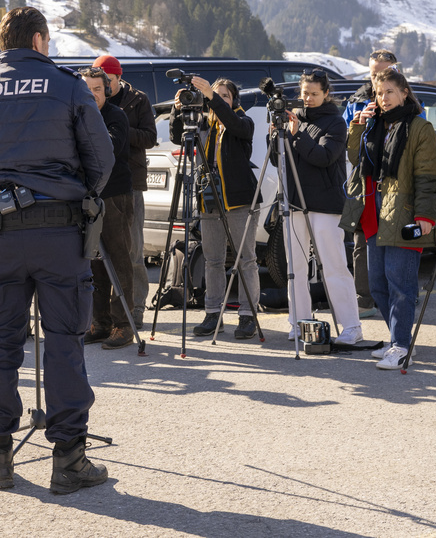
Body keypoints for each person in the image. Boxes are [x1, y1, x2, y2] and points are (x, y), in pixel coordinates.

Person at [0, 6, 113, 494]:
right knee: (63, 341)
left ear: (4, 43)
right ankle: (68, 461)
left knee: (0, 345)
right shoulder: (66, 85)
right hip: (59, 233)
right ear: (40, 40)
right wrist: (79, 196)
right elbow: (100, 159)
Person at [346, 68, 436, 370]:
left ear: (404, 93)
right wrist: (358, 128)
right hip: (374, 214)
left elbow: (428, 177)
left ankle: (401, 345)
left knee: (401, 285)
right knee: (377, 286)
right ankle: (396, 340)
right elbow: (355, 160)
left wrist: (425, 215)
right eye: (378, 92)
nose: (383, 98)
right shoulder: (375, 125)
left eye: (389, 91)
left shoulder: (418, 127)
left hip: (403, 215)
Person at [171, 76, 262, 340]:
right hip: (209, 199)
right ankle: (213, 313)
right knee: (213, 260)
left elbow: (233, 124)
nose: (218, 99)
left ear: (234, 101)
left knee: (246, 260)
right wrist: (179, 111)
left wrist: (211, 95)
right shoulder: (204, 123)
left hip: (239, 200)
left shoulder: (243, 121)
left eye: (225, 96)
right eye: (215, 95)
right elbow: (178, 138)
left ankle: (248, 316)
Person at [277, 70, 361, 345]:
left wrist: (297, 135)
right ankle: (298, 322)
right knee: (295, 267)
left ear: (326, 93)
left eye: (314, 94)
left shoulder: (336, 123)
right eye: (304, 94)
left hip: (326, 204)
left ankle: (351, 326)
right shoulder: (294, 119)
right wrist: (278, 136)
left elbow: (324, 157)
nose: (309, 99)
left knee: (334, 265)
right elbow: (282, 160)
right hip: (296, 202)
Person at [92, 55, 158, 325]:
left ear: (119, 77)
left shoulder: (137, 100)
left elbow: (150, 138)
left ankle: (137, 308)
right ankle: (106, 314)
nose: (104, 86)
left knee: (132, 250)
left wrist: (118, 131)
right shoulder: (91, 102)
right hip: (99, 185)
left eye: (108, 81)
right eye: (99, 82)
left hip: (130, 183)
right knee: (101, 254)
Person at [80, 67, 135, 350]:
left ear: (108, 91)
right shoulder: (76, 115)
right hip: (88, 198)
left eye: (97, 89)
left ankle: (123, 325)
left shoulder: (116, 116)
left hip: (114, 197)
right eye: (86, 89)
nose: (92, 94)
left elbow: (108, 150)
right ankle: (99, 323)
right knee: (94, 263)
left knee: (119, 259)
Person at [342, 49, 398, 319]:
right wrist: (359, 122)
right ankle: (364, 299)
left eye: (384, 72)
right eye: (373, 73)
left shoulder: (405, 96)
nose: (378, 79)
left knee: (394, 240)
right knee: (362, 242)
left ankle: (395, 294)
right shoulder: (357, 100)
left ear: (396, 70)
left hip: (395, 184)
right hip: (364, 183)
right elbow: (346, 140)